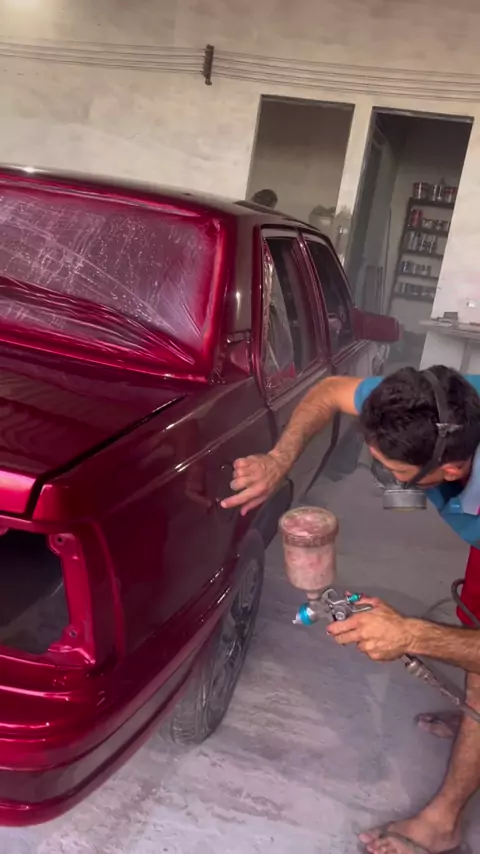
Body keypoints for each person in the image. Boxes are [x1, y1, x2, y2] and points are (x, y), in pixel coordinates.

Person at [221, 365, 480, 854]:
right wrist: (279, 460)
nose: (387, 481)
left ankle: (443, 824)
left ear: (449, 470)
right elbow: (330, 390)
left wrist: (410, 635)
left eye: (395, 473)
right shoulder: (433, 405)